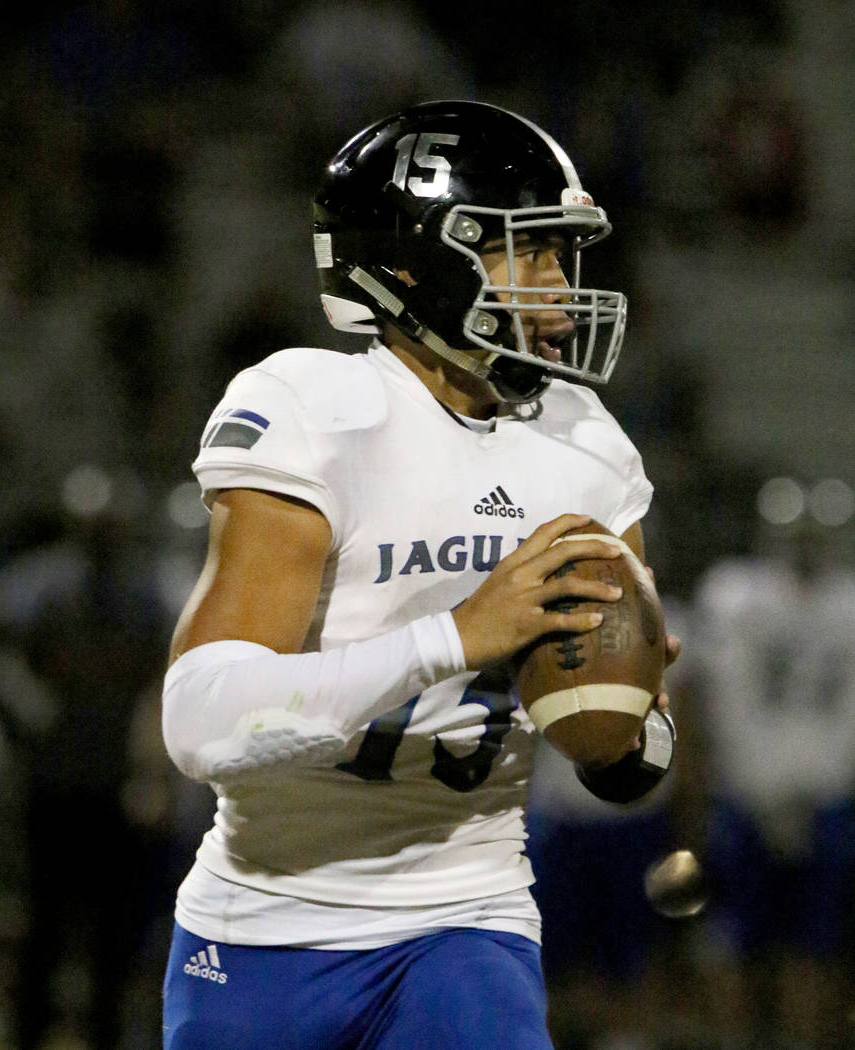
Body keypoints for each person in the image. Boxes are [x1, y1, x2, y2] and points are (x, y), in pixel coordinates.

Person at [160, 99, 678, 1050]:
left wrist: (621, 718)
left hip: (465, 914)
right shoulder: (314, 407)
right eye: (529, 253)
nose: (561, 291)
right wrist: (458, 635)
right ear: (422, 262)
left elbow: (630, 764)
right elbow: (200, 721)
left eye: (563, 256)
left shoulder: (588, 445)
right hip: (266, 920)